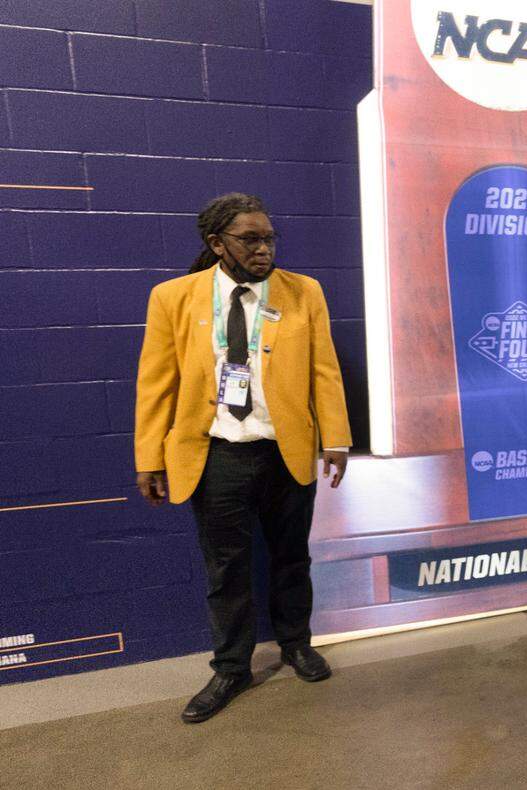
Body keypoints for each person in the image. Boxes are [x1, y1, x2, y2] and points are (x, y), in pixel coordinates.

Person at [134, 193, 352, 723]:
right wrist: (149, 456)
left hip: (286, 450)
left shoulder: (304, 292)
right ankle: (231, 666)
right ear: (217, 244)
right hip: (215, 456)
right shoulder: (173, 297)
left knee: (291, 557)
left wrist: (337, 438)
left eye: (269, 237)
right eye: (250, 239)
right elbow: (156, 382)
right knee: (226, 568)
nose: (264, 248)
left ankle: (295, 644)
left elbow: (325, 369)